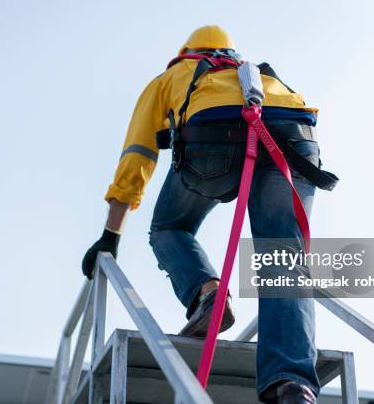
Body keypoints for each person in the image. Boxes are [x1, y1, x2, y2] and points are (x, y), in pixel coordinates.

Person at [82, 25, 330, 404]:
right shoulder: (256, 73)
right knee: (283, 257)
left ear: (186, 51)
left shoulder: (173, 76)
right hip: (293, 139)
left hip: (214, 138)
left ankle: (208, 292)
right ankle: (293, 385)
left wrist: (110, 236)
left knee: (169, 227)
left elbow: (139, 153)